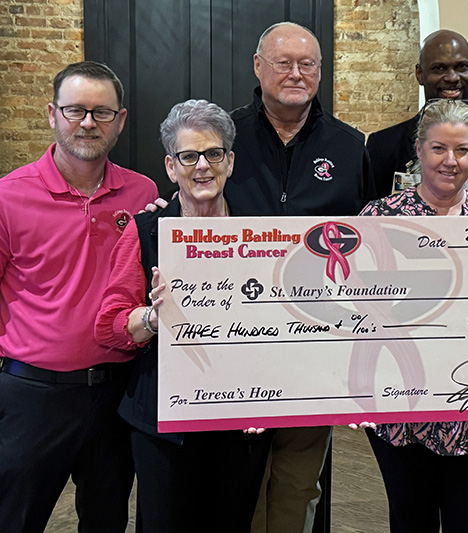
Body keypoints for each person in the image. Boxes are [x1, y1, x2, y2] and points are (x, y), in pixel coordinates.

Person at [223, 22, 376, 533]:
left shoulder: (351, 147)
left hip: (317, 348)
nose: (295, 73)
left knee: (297, 484)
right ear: (257, 66)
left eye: (307, 64)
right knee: (236, 484)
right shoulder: (222, 138)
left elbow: (368, 247)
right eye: (283, 62)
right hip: (236, 344)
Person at [94, 99, 272, 532]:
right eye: (188, 156)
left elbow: (279, 327)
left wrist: (271, 399)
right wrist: (154, 318)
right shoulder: (146, 230)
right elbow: (109, 324)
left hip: (239, 421)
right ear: (171, 167)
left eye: (213, 154)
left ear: (229, 161)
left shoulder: (264, 233)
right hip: (162, 422)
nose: (202, 167)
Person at [0, 61, 158, 532]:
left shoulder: (143, 193)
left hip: (116, 393)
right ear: (52, 114)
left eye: (101, 112)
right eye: (75, 110)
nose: (88, 122)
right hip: (33, 396)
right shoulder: (9, 196)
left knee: (106, 521)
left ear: (121, 120)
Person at [359, 98, 468, 533]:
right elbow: (356, 309)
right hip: (398, 409)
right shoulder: (378, 218)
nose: (450, 161)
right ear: (419, 150)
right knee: (409, 519)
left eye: (462, 150)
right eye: (439, 149)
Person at [366, 29, 468, 207]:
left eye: (461, 67)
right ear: (420, 74)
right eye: (439, 68)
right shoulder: (383, 145)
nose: (452, 77)